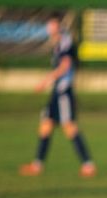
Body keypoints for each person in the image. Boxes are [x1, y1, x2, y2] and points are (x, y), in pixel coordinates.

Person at [19, 13, 96, 178]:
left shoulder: (65, 42)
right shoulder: (57, 43)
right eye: (49, 25)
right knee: (46, 125)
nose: (50, 28)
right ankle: (37, 165)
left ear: (60, 25)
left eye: (53, 25)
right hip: (56, 92)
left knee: (69, 127)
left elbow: (66, 66)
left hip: (63, 92)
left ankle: (88, 165)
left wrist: (46, 80)